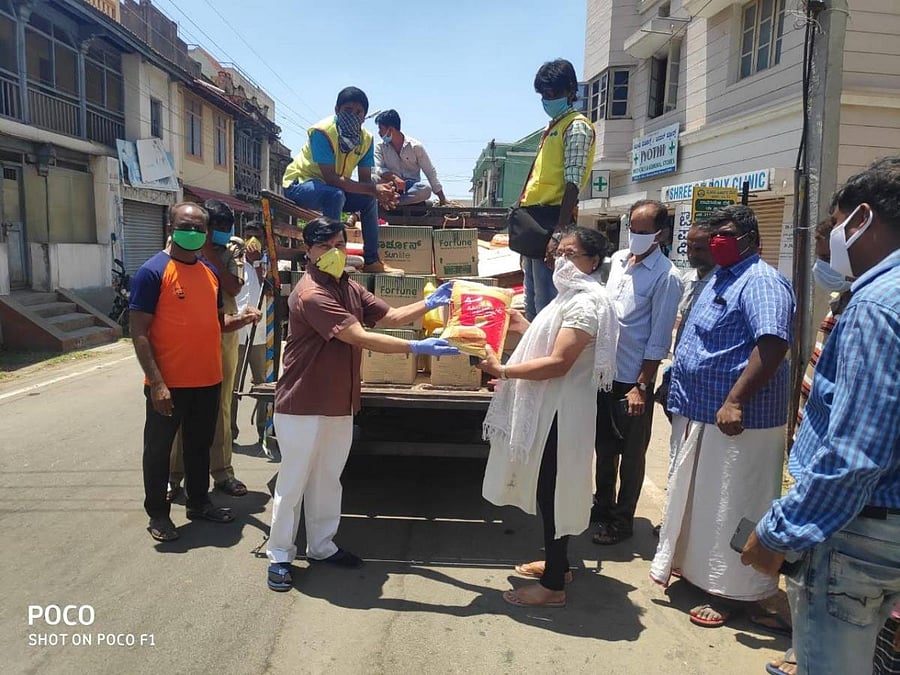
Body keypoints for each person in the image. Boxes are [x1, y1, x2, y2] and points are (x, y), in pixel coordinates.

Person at [742, 157, 900, 674]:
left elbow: (856, 453)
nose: (829, 240)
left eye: (833, 226)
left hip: (858, 531)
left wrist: (779, 533)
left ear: (861, 220)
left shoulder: (876, 306)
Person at [266, 217, 459, 592]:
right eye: (325, 246)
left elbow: (390, 316)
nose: (335, 252)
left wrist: (429, 303)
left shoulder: (350, 287)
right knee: (292, 485)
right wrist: (415, 347)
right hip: (303, 404)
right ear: (309, 251)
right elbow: (359, 336)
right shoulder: (311, 294)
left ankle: (322, 547)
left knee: (327, 480)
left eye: (340, 244)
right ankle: (280, 556)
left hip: (339, 402)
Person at [649, 204, 795, 627]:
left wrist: (735, 400)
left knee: (735, 503)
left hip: (739, 419)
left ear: (752, 239)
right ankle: (699, 571)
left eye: (727, 233)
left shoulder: (763, 281)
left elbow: (772, 345)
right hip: (701, 412)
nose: (718, 242)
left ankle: (738, 592)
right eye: (714, 234)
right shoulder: (723, 276)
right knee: (702, 499)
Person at [479, 226, 618, 607]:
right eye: (559, 253)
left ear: (593, 261)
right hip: (554, 409)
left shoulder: (585, 302)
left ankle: (554, 585)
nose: (562, 260)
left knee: (554, 493)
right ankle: (560, 564)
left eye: (572, 254)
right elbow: (548, 337)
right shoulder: (568, 298)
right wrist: (516, 324)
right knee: (549, 491)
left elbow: (559, 362)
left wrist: (504, 371)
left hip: (562, 413)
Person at [129, 202, 261, 542]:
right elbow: (139, 331)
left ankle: (199, 502)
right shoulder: (153, 272)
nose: (192, 233)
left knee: (199, 446)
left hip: (208, 380)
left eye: (199, 228)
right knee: (158, 451)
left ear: (206, 234)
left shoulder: (208, 272)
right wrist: (157, 383)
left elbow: (217, 323)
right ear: (171, 226)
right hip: (169, 384)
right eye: (185, 226)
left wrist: (242, 319)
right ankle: (158, 514)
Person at [761, 219, 853, 673]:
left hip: (835, 480)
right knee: (809, 580)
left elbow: (857, 435)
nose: (820, 258)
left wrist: (786, 523)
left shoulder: (873, 309)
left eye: (823, 246)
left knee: (829, 585)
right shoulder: (845, 300)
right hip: (811, 457)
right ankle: (801, 647)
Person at [592, 200, 683, 545]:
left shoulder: (666, 277)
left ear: (660, 234)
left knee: (630, 455)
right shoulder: (617, 261)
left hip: (633, 378)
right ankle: (601, 505)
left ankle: (621, 520)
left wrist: (642, 386)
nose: (636, 236)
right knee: (604, 448)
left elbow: (658, 339)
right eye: (633, 228)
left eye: (644, 232)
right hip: (604, 374)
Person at [168, 200, 249, 499]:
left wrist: (210, 252)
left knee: (221, 406)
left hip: (223, 332)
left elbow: (233, 286)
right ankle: (174, 476)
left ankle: (222, 472)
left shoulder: (232, 248)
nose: (225, 235)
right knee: (180, 407)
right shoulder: (178, 242)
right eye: (218, 230)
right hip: (184, 335)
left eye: (228, 230)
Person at [282, 87, 400, 272]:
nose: (353, 115)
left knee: (368, 200)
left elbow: (364, 182)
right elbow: (330, 178)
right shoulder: (322, 132)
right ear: (337, 110)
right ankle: (330, 259)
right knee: (335, 195)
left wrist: (380, 193)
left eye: (358, 112)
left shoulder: (366, 140)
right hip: (301, 183)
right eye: (348, 110)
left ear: (364, 117)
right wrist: (374, 189)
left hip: (332, 187)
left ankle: (372, 261)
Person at [517, 58, 596, 321]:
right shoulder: (551, 128)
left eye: (552, 94)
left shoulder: (576, 127)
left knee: (546, 305)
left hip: (553, 221)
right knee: (531, 301)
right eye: (543, 95)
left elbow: (572, 183)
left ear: (571, 90)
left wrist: (559, 235)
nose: (546, 100)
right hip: (535, 222)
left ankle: (545, 359)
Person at [231, 234, 267, 444]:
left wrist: (260, 269)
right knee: (233, 385)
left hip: (259, 333)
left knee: (262, 383)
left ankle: (263, 429)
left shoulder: (267, 266)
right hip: (236, 330)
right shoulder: (235, 264)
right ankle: (230, 432)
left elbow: (271, 290)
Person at [373, 110, 447, 207]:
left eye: (380, 129)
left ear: (390, 130)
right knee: (372, 178)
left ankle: (393, 202)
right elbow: (377, 168)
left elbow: (430, 172)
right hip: (389, 186)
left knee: (425, 189)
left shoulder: (415, 146)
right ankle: (388, 199)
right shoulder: (380, 147)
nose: (379, 132)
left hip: (411, 188)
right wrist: (395, 178)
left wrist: (442, 198)